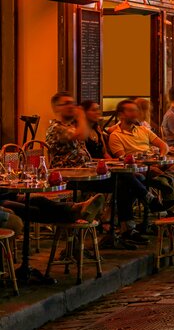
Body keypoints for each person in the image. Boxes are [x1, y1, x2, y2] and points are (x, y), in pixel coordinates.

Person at [46, 92, 150, 244]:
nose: (71, 106)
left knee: (131, 178)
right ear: (56, 108)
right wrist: (82, 115)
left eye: (72, 103)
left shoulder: (73, 126)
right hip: (68, 177)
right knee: (124, 179)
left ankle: (126, 228)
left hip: (85, 172)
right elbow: (81, 135)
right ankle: (143, 205)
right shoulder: (56, 127)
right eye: (66, 103)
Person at [108, 99, 174, 211]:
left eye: (136, 110)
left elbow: (164, 146)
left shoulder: (143, 129)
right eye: (131, 111)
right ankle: (173, 215)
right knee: (165, 178)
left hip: (155, 162)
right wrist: (148, 164)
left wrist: (161, 157)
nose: (135, 114)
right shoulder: (115, 136)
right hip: (139, 169)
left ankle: (165, 177)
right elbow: (123, 161)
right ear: (121, 115)